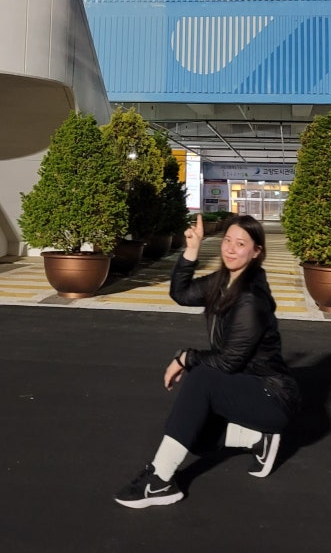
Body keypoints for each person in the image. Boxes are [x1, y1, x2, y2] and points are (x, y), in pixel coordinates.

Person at [114, 212, 300, 509]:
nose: (230, 249)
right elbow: (181, 293)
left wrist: (185, 358)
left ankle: (160, 480)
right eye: (227, 240)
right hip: (245, 386)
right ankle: (257, 439)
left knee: (200, 377)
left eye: (241, 244)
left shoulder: (250, 299)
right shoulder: (223, 281)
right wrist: (192, 249)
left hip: (272, 397)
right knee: (193, 434)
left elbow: (227, 362)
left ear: (256, 252)